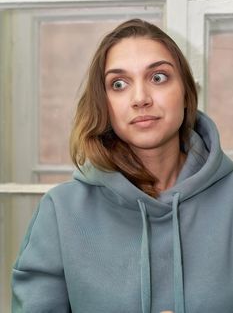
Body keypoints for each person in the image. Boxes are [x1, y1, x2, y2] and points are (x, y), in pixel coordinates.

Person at [12, 19, 233, 313]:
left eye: (158, 77)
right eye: (119, 84)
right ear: (104, 104)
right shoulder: (61, 212)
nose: (140, 98)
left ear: (186, 93)